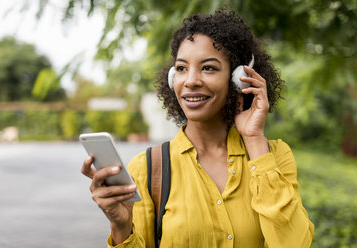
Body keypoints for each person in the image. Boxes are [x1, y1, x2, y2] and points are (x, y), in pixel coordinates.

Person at [81, 9, 314, 248]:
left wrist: (254, 138)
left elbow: (295, 244)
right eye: (181, 68)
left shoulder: (274, 157)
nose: (190, 80)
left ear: (239, 78)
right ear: (173, 79)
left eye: (209, 68)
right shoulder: (148, 168)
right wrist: (120, 226)